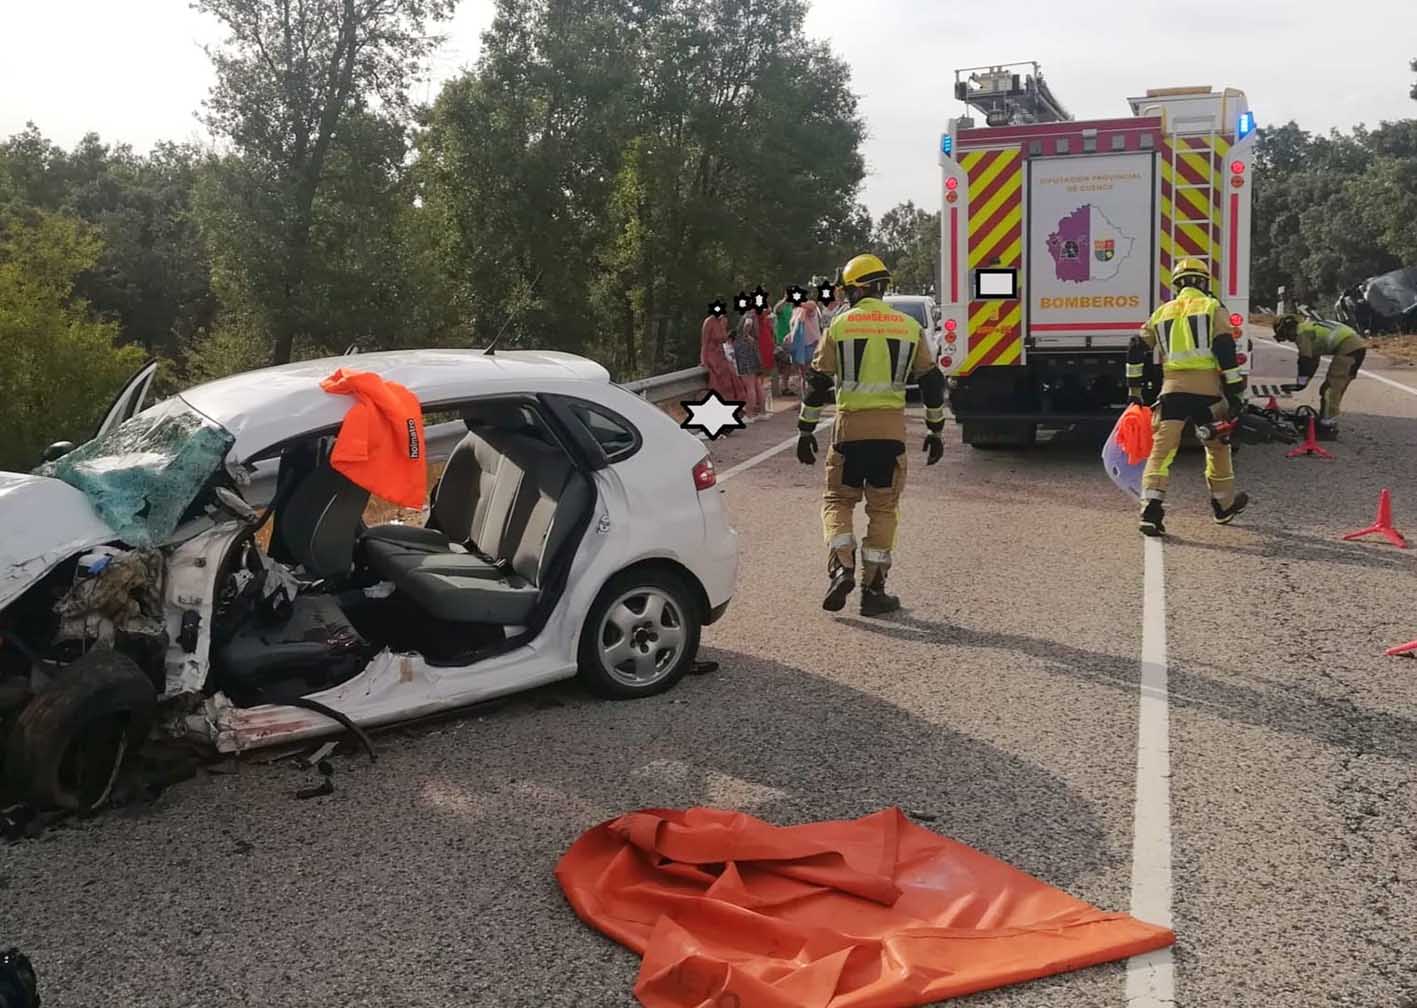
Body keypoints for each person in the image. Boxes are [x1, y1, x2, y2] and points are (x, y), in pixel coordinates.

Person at [796, 253, 947, 616]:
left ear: (858, 288)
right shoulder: (909, 327)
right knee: (883, 509)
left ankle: (842, 567)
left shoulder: (841, 326)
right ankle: (873, 591)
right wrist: (935, 428)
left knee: (837, 501)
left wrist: (805, 429)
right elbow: (931, 381)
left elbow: (817, 383)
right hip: (890, 432)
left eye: (848, 289)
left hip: (849, 430)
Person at [1127, 256, 1249, 537]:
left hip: (1172, 392)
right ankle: (1223, 505)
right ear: (1204, 283)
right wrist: (1235, 392)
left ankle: (1151, 510)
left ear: (1177, 285)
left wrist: (1135, 390)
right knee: (1217, 447)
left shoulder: (1162, 312)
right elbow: (1224, 350)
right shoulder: (1211, 307)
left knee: (1162, 451)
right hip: (1208, 394)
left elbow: (1135, 346)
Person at [1271, 313, 1369, 439]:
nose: (1288, 339)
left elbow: (1305, 361)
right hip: (1356, 345)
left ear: (1287, 327)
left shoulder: (1302, 333)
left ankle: (1327, 426)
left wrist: (1301, 383)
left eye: (1284, 335)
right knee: (1334, 387)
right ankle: (1326, 419)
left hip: (1348, 347)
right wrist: (1304, 383)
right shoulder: (1309, 327)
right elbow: (1312, 361)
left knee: (1331, 389)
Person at [700, 303, 745, 407]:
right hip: (711, 355)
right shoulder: (708, 322)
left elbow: (724, 338)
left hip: (721, 353)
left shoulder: (723, 321)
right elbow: (704, 343)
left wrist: (722, 325)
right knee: (719, 381)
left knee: (732, 378)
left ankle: (734, 405)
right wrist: (703, 360)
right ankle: (721, 405)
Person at [733, 296, 765, 419]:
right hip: (752, 351)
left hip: (745, 352)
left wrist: (745, 335)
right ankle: (762, 412)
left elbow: (747, 324)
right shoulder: (755, 315)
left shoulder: (748, 315)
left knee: (749, 385)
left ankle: (750, 414)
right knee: (756, 384)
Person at [771, 290, 798, 396]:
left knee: (788, 365)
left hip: (791, 340)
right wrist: (784, 299)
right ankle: (777, 388)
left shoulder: (793, 307)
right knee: (778, 365)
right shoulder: (782, 306)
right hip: (781, 340)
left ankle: (784, 387)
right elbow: (776, 310)